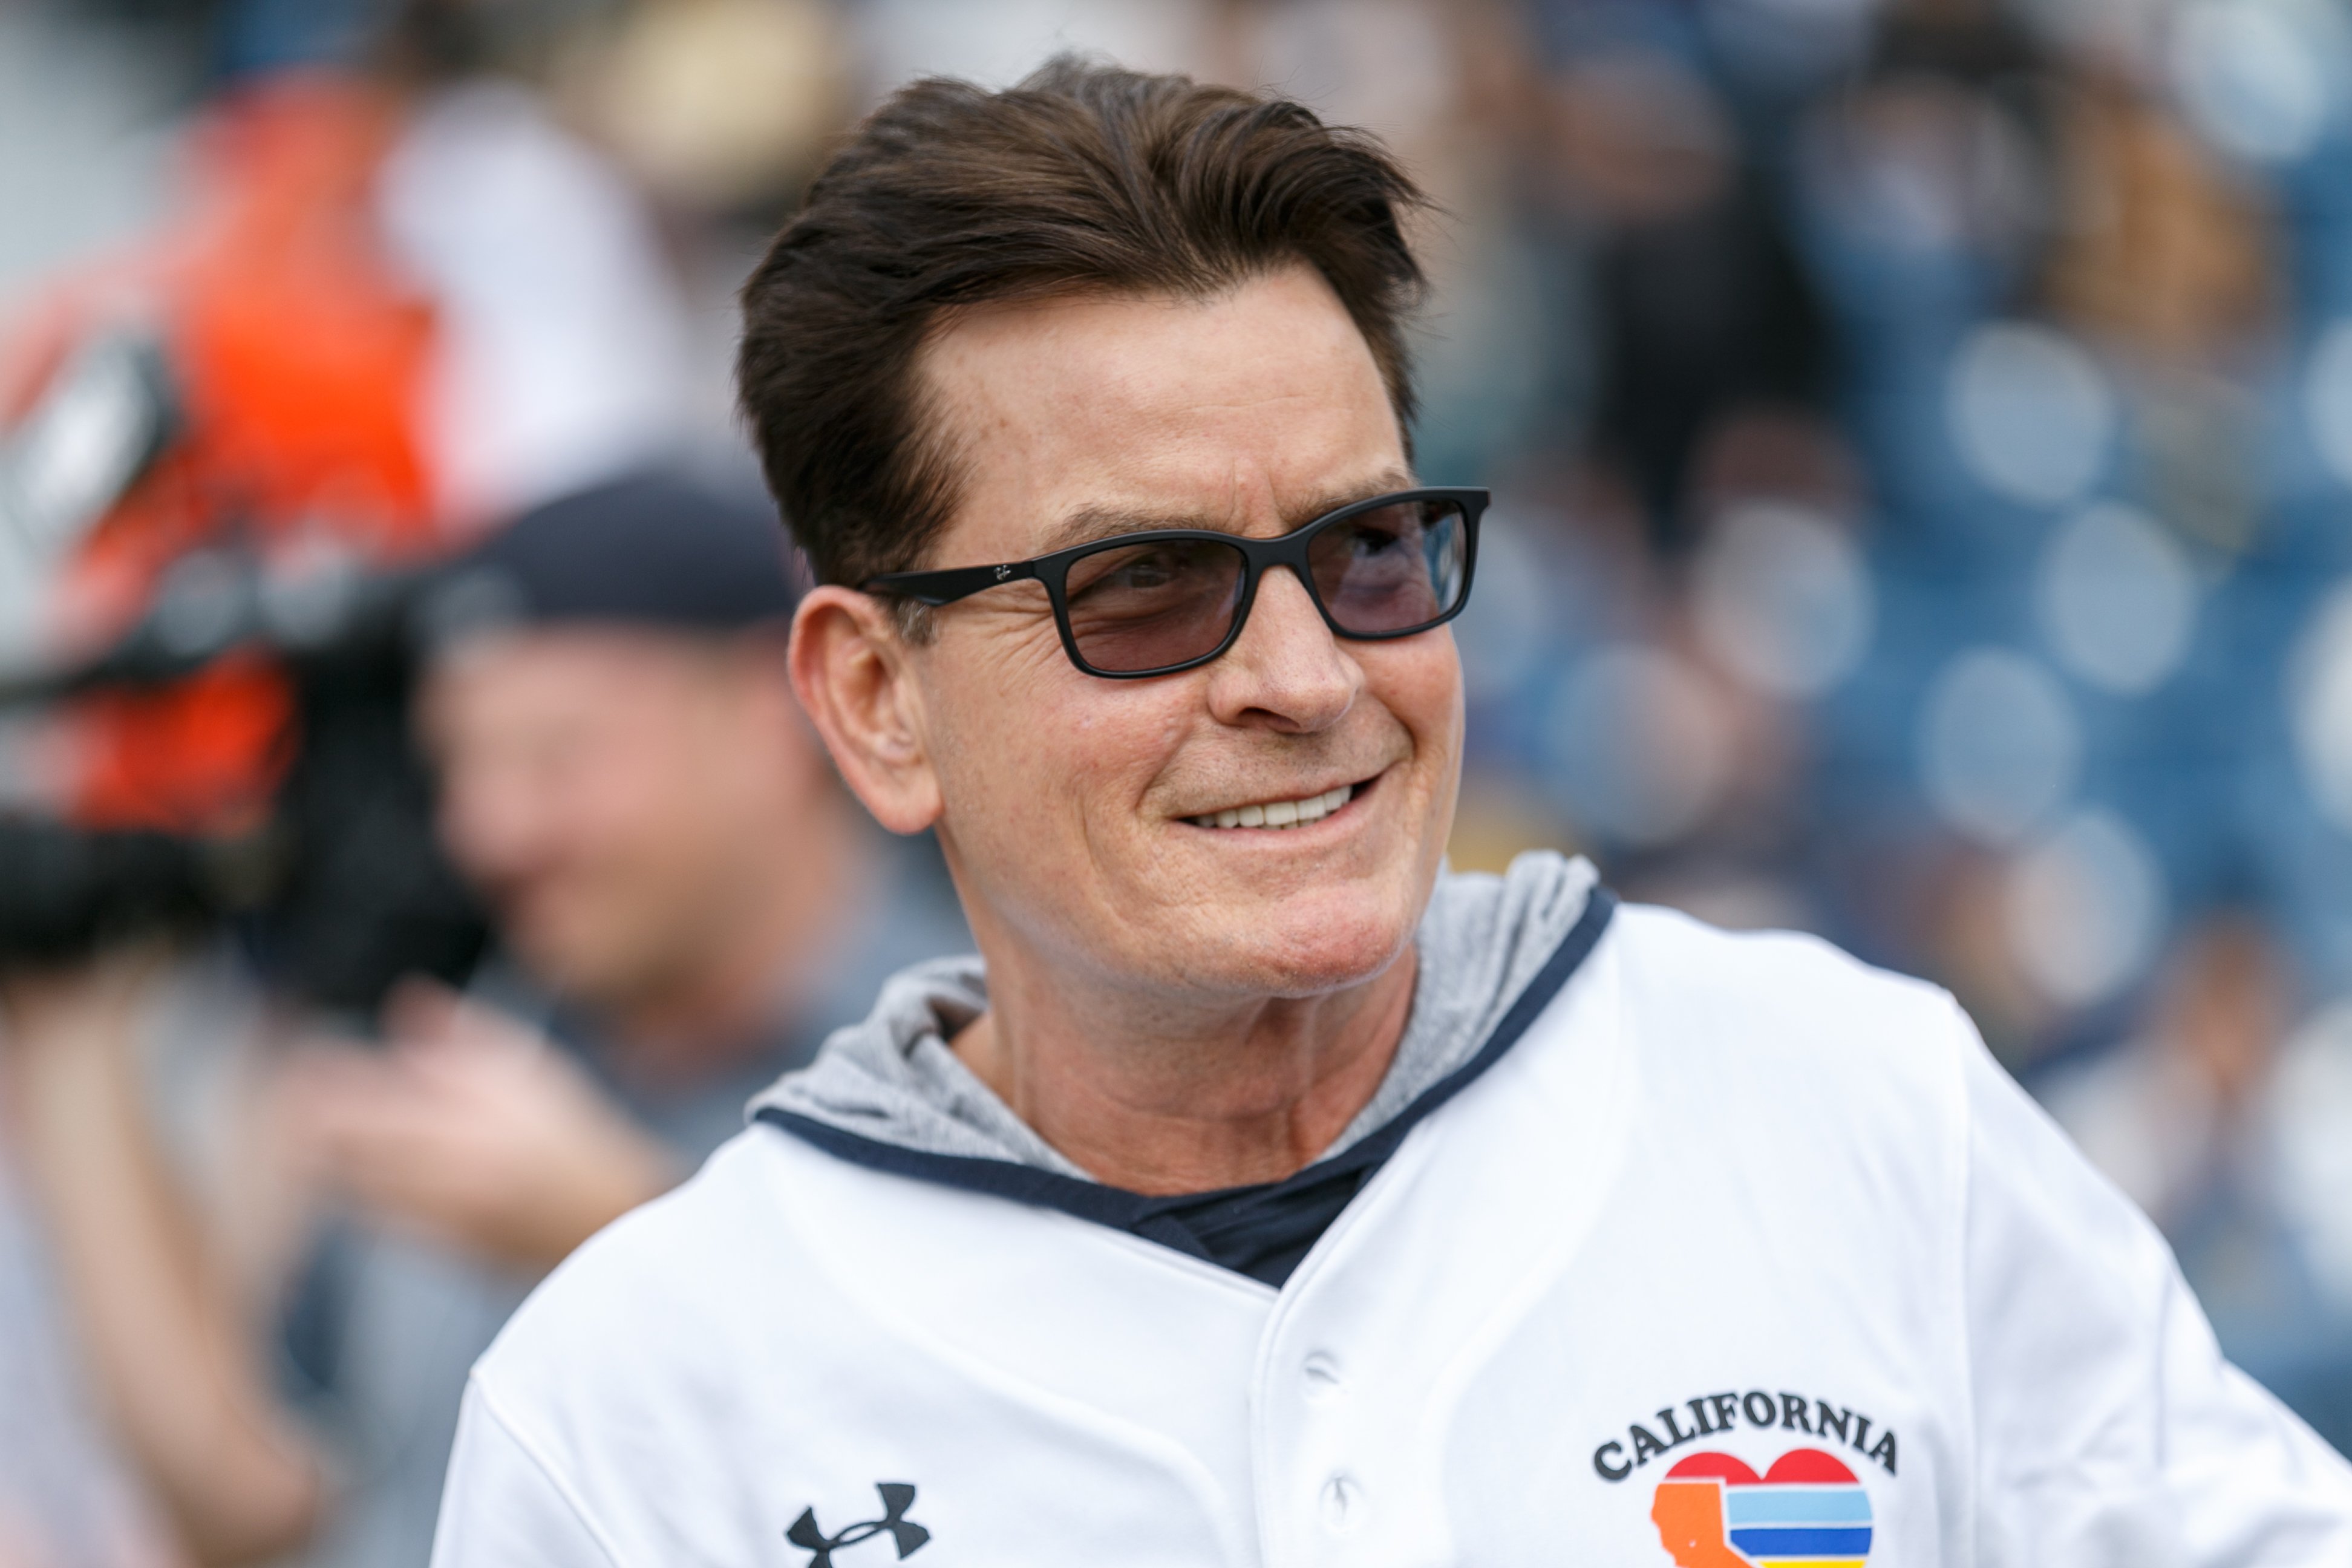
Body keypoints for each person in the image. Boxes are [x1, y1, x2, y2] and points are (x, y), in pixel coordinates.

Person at [431, 60, 2352, 1564]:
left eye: (1365, 551)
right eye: (1150, 589)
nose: (1309, 676)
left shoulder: (1849, 1104)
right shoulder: (630, 1414)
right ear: (876, 699)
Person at [4, 474, 964, 1568]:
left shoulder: (985, 1049)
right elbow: (254, 1505)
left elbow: (1008, 1457)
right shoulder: (482, 1045)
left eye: (555, 758)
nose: (491, 829)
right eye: (458, 766)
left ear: (769, 717)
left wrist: (614, 1229)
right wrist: (70, 1024)